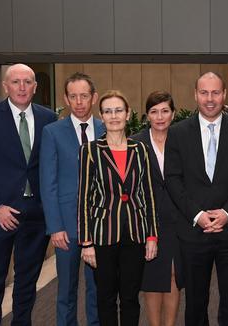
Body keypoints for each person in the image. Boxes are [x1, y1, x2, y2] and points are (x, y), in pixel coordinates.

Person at [0, 63, 57, 325]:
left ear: (36, 87)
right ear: (6, 86)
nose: (22, 87)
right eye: (16, 82)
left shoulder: (48, 118)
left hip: (35, 217)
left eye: (28, 82)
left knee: (27, 284)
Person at [164, 72, 228, 326]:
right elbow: (173, 179)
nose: (209, 99)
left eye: (215, 92)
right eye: (204, 93)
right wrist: (197, 215)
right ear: (195, 95)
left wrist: (227, 213)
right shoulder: (177, 133)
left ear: (224, 95)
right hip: (193, 231)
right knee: (195, 301)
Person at [78, 90, 158, 326]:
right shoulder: (90, 151)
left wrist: (152, 235)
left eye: (118, 110)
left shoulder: (140, 149)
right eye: (108, 111)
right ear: (101, 116)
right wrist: (86, 242)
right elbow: (84, 198)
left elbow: (148, 194)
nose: (114, 116)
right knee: (105, 298)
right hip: (102, 235)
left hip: (135, 233)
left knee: (131, 298)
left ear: (128, 114)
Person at [40, 72, 103, 326]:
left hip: (99, 226)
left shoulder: (106, 127)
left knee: (97, 289)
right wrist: (55, 227)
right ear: (66, 98)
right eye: (73, 96)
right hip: (66, 226)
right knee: (66, 290)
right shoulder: (52, 132)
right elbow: (48, 183)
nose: (79, 102)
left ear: (94, 98)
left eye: (84, 96)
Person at [131, 91, 183, 326]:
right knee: (152, 277)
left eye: (164, 111)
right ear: (147, 115)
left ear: (172, 114)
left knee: (174, 274)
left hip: (178, 219)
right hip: (147, 221)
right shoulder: (135, 143)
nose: (160, 116)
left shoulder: (183, 141)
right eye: (154, 111)